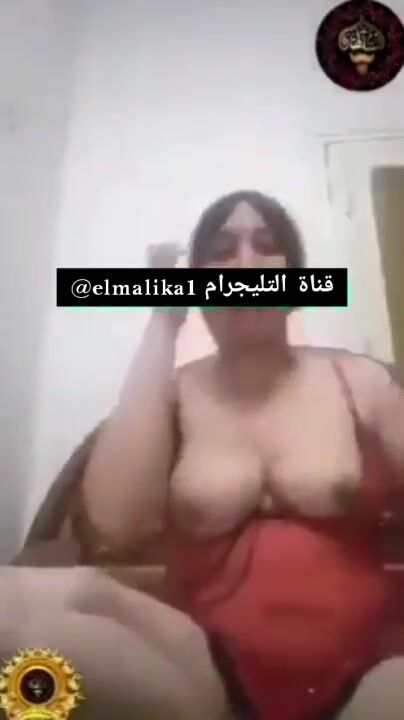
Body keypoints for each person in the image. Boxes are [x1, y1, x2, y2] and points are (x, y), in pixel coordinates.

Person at [5, 189, 404, 720]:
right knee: (13, 615)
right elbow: (115, 528)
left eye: (266, 245)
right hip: (202, 671)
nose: (245, 264)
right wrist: (163, 320)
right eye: (221, 251)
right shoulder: (174, 395)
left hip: (371, 670)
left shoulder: (360, 381)